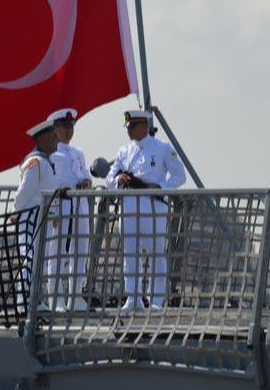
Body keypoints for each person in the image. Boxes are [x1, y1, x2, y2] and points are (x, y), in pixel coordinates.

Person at [107, 109, 186, 311]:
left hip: (153, 206)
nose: (129, 131)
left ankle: (157, 299)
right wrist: (119, 180)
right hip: (129, 207)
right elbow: (109, 180)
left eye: (132, 126)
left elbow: (179, 176)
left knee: (155, 252)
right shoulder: (124, 152)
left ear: (144, 126)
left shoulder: (162, 148)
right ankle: (133, 298)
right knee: (130, 253)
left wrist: (160, 187)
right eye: (128, 127)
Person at [14, 118, 61, 310]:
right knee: (30, 258)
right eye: (52, 136)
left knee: (37, 260)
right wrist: (14, 213)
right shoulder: (35, 163)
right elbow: (24, 192)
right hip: (31, 218)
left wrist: (55, 213)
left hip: (42, 219)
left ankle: (34, 301)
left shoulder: (45, 162)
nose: (56, 140)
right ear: (42, 140)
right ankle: (24, 302)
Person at [48, 108, 92, 311]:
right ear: (55, 129)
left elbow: (86, 177)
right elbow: (50, 184)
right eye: (64, 127)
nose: (68, 131)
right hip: (62, 207)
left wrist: (86, 182)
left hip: (80, 207)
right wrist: (54, 211)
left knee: (80, 252)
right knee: (57, 253)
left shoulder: (78, 153)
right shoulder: (51, 154)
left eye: (70, 127)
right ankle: (55, 297)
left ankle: (76, 295)